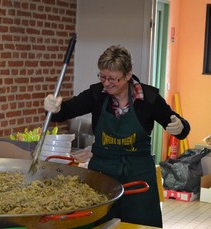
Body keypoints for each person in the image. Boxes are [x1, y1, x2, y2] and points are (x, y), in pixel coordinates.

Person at [44, 45, 190, 228]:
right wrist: (54, 108)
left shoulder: (149, 98)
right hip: (102, 175)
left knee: (140, 225)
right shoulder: (96, 95)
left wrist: (181, 127)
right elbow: (65, 111)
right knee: (98, 224)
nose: (106, 83)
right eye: (102, 77)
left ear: (128, 75)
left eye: (113, 78)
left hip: (138, 175)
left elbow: (180, 127)